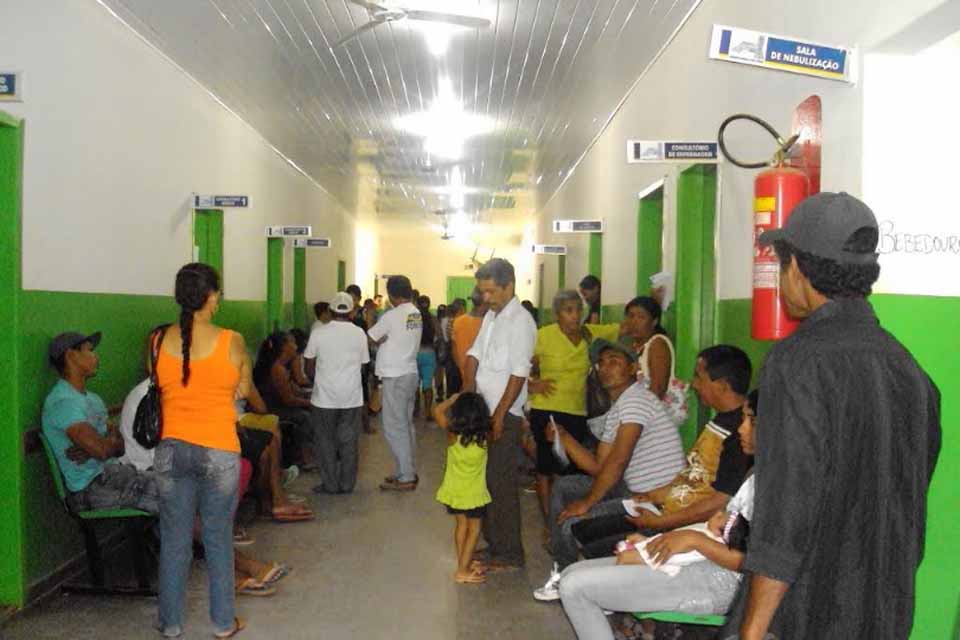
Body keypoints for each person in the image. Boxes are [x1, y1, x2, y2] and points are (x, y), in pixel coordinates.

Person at [732, 192, 941, 640]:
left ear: (796, 267)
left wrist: (752, 630)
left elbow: (786, 511)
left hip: (808, 612)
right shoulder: (909, 370)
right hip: (886, 610)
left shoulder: (797, 362)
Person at [558, 391, 761, 640]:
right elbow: (722, 531)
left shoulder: (778, 488)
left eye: (751, 420)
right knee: (570, 574)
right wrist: (657, 542)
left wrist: (692, 540)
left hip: (721, 583)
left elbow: (755, 563)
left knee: (574, 587)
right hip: (699, 560)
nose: (741, 428)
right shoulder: (755, 473)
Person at [533, 338, 686, 600]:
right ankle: (563, 570)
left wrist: (587, 503)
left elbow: (617, 462)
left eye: (614, 362)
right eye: (601, 363)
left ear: (632, 369)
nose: (605, 368)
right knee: (565, 486)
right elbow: (599, 467)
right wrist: (565, 438)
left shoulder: (636, 401)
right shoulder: (620, 407)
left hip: (656, 501)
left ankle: (583, 585)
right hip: (631, 490)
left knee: (572, 522)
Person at [569, 345, 753, 556]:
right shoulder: (720, 421)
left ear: (721, 386)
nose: (693, 384)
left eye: (699, 377)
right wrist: (652, 496)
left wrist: (660, 522)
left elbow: (718, 502)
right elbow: (692, 479)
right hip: (664, 510)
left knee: (591, 546)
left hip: (680, 525)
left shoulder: (740, 434)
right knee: (581, 531)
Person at [154, 263, 250, 638]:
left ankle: (170, 623)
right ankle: (224, 623)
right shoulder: (232, 341)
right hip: (218, 449)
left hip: (171, 450)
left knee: (174, 540)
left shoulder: (157, 340)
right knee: (217, 539)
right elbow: (243, 391)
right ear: (212, 297)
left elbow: (160, 384)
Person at [462, 258, 537, 570]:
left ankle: (510, 553)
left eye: (491, 291)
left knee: (502, 483)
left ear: (509, 286)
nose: (485, 297)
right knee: (487, 482)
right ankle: (494, 544)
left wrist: (499, 415)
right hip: (484, 412)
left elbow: (519, 373)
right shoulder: (492, 317)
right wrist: (468, 395)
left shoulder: (520, 322)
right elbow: (474, 355)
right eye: (482, 291)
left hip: (504, 416)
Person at [42, 330, 158, 515]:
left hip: (115, 473)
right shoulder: (63, 403)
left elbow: (120, 447)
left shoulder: (94, 400)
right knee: (176, 499)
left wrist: (98, 446)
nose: (96, 357)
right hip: (90, 489)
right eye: (89, 350)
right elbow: (102, 450)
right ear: (71, 355)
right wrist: (102, 445)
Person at [527, 290, 620, 520]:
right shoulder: (543, 336)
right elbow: (517, 364)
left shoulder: (590, 333)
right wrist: (531, 385)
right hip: (546, 410)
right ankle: (549, 521)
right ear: (557, 314)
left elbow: (624, 329)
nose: (575, 315)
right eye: (568, 310)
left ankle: (566, 516)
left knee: (571, 469)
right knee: (546, 468)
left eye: (578, 310)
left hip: (577, 412)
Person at [304, 292, 370, 494]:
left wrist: (319, 382)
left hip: (324, 398)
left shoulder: (319, 333)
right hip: (351, 397)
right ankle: (347, 484)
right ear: (351, 312)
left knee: (325, 442)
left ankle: (330, 484)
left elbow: (309, 364)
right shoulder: (359, 333)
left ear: (331, 310)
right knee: (349, 441)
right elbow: (364, 365)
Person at [367, 275, 422, 491]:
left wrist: (371, 320)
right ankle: (404, 470)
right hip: (409, 372)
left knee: (394, 426)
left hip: (395, 375)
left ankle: (406, 476)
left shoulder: (392, 315)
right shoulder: (415, 313)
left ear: (391, 295)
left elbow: (371, 337)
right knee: (405, 424)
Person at [433, 392, 493, 584]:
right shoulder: (485, 437)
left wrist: (451, 400)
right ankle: (462, 571)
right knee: (474, 530)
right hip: (474, 494)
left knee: (461, 526)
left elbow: (437, 411)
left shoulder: (452, 435)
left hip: (454, 492)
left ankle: (463, 563)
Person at [252, 331, 312, 467]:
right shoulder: (278, 369)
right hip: (273, 409)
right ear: (285, 347)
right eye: (293, 343)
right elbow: (289, 400)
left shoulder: (281, 366)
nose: (296, 346)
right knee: (304, 417)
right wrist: (310, 403)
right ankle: (305, 457)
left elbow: (294, 391)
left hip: (278, 406)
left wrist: (307, 396)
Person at [451, 287, 487, 381]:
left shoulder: (458, 322)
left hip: (464, 374)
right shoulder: (488, 323)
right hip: (484, 376)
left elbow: (454, 351)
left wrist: (462, 368)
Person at [414, 295, 439, 421]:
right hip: (429, 353)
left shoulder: (413, 318)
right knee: (428, 384)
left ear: (417, 304)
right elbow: (439, 335)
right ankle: (428, 412)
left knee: (415, 384)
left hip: (415, 354)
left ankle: (416, 409)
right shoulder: (433, 318)